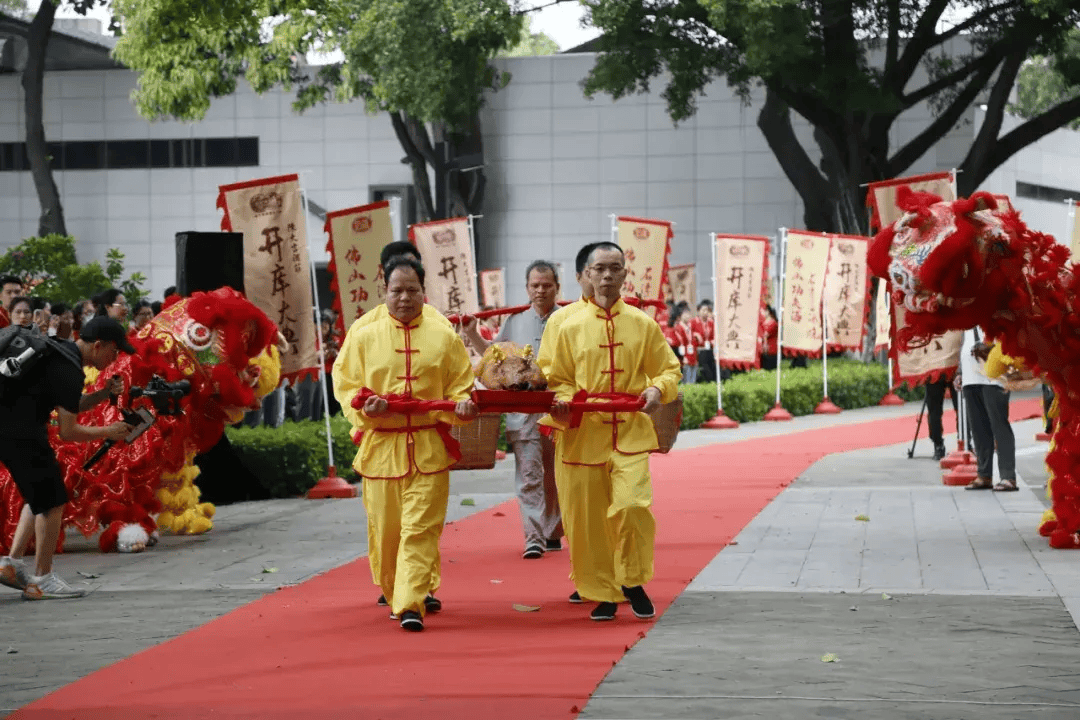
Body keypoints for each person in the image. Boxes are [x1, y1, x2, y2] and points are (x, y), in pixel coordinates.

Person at [332, 256, 476, 632]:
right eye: (397, 290)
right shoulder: (363, 335)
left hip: (428, 448)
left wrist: (463, 406)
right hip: (382, 449)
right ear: (384, 291)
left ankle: (410, 603)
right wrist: (367, 408)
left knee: (420, 528)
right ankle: (398, 588)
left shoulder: (443, 335)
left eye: (412, 290)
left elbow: (461, 385)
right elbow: (346, 386)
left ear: (424, 291)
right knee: (387, 532)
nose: (405, 298)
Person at [545, 242, 681, 622]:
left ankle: (633, 580)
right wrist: (564, 400)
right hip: (583, 435)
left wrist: (657, 390)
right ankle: (601, 591)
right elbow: (553, 378)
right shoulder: (565, 325)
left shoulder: (642, 324)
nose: (607, 276)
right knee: (587, 521)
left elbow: (668, 370)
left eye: (615, 268)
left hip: (631, 435)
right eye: (600, 269)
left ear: (625, 274)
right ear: (587, 274)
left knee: (634, 507)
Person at [0, 317, 135, 599]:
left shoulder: (57, 351)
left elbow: (68, 404)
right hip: (21, 433)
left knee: (38, 496)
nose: (115, 358)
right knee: (53, 501)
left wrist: (103, 394)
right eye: (115, 351)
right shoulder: (69, 368)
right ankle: (42, 579)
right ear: (99, 346)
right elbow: (68, 431)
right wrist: (109, 431)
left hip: (10, 428)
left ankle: (11, 565)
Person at [463, 260, 564, 559]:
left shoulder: (571, 319)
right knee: (530, 473)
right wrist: (471, 333)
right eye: (535, 285)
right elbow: (492, 358)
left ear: (557, 287)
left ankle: (553, 530)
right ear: (527, 288)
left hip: (559, 409)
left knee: (557, 474)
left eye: (547, 285)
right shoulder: (514, 319)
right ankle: (534, 536)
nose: (541, 290)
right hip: (523, 412)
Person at [961, 328, 1017, 492]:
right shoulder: (964, 310)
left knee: (999, 425)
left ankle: (1008, 476)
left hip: (994, 375)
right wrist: (959, 372)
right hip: (970, 375)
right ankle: (984, 475)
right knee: (978, 429)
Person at [924, 376, 959, 460]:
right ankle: (965, 442)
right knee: (961, 408)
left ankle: (938, 446)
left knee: (934, 410)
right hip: (954, 368)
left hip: (934, 369)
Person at [673, 303, 700, 384]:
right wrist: (683, 357)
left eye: (689, 315)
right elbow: (678, 344)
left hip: (692, 355)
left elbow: (693, 342)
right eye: (685, 315)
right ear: (681, 316)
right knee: (686, 381)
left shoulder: (690, 327)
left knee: (693, 380)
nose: (687, 317)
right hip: (684, 357)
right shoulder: (678, 328)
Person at [693, 300, 715, 383]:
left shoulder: (711, 322)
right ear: (698, 311)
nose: (705, 312)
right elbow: (689, 334)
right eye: (703, 310)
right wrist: (696, 335)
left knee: (711, 366)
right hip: (699, 349)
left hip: (709, 348)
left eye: (707, 310)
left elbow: (713, 335)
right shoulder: (693, 322)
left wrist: (713, 341)